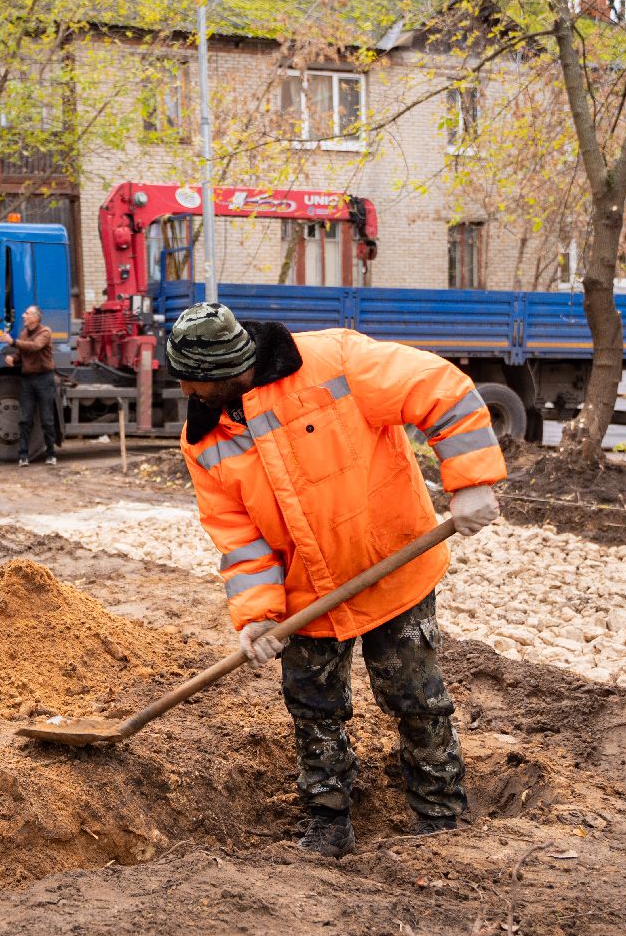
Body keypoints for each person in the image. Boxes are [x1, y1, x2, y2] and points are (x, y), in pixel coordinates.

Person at [167, 302, 505, 857]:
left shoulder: (333, 361)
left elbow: (438, 387)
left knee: (416, 698)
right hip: (308, 596)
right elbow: (240, 538)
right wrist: (260, 616)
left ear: (224, 373)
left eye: (191, 382)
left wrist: (472, 480)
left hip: (394, 564)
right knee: (314, 707)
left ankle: (442, 817)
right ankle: (328, 822)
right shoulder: (203, 440)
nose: (185, 391)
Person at [0, 305, 58, 466]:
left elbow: (35, 347)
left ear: (35, 318)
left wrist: (12, 342)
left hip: (44, 379)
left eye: (27, 314)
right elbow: (22, 353)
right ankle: (23, 456)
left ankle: (51, 453)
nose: (23, 316)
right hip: (28, 379)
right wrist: (13, 358)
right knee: (25, 419)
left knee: (47, 419)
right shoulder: (24, 333)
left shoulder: (45, 332)